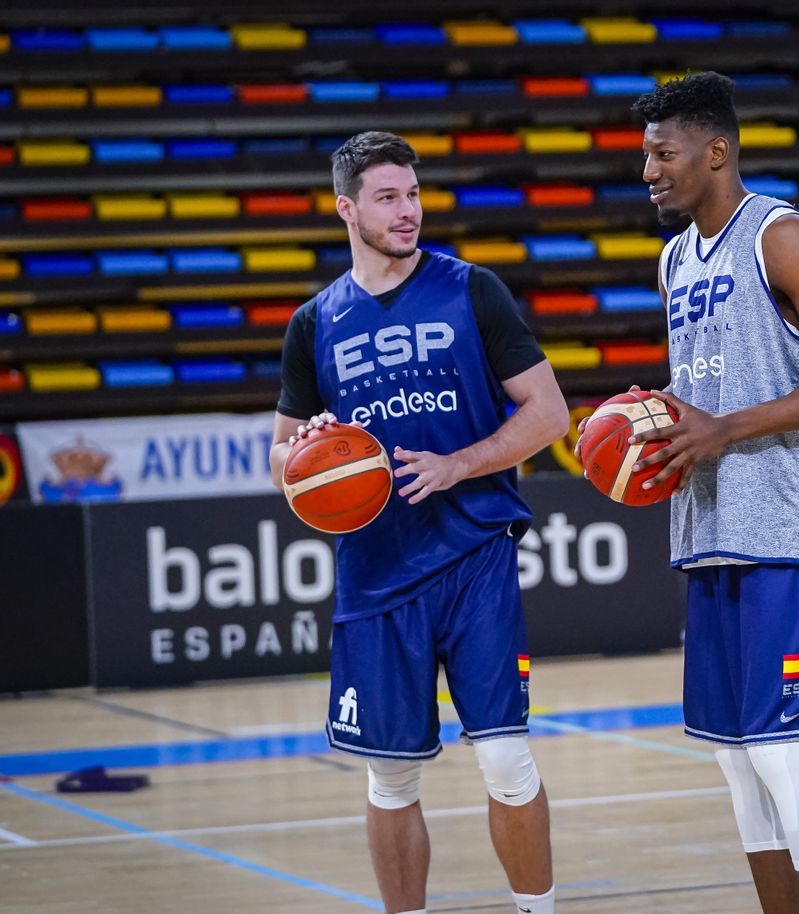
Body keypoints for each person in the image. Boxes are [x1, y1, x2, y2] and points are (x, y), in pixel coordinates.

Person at [268, 131, 568, 914]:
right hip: (375, 570)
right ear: (347, 209)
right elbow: (280, 458)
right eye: (387, 198)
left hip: (474, 552)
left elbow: (550, 414)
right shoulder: (314, 323)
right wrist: (305, 451)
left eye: (413, 194)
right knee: (391, 775)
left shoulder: (472, 290)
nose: (408, 211)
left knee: (505, 761)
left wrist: (459, 464)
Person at [630, 72, 799, 914]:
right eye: (646, 157)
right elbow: (710, 393)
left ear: (716, 151)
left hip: (791, 529)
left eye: (664, 154)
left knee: (779, 752)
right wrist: (659, 424)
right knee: (736, 758)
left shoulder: (782, 237)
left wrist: (726, 428)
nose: (649, 172)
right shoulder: (674, 260)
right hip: (711, 529)